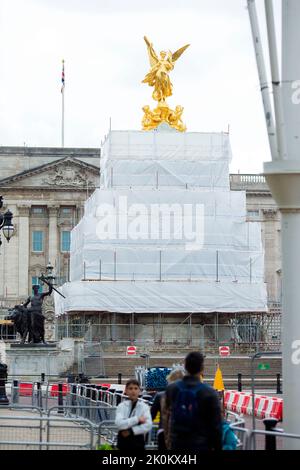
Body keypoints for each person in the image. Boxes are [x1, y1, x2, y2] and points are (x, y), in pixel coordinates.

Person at [165, 352, 222, 451]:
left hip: (178, 443)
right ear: (202, 368)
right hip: (201, 444)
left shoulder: (172, 389)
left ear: (185, 367)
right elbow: (216, 426)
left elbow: (167, 417)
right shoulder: (209, 392)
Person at [151, 368, 185, 452]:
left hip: (163, 432)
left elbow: (151, 416)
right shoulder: (187, 396)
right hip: (181, 432)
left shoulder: (160, 396)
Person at [115, 379, 152, 451]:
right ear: (126, 390)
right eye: (130, 388)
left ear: (139, 391)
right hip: (123, 442)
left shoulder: (144, 407)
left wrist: (131, 431)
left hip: (137, 442)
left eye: (135, 388)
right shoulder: (121, 406)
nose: (133, 391)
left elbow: (148, 425)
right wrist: (137, 419)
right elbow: (119, 423)